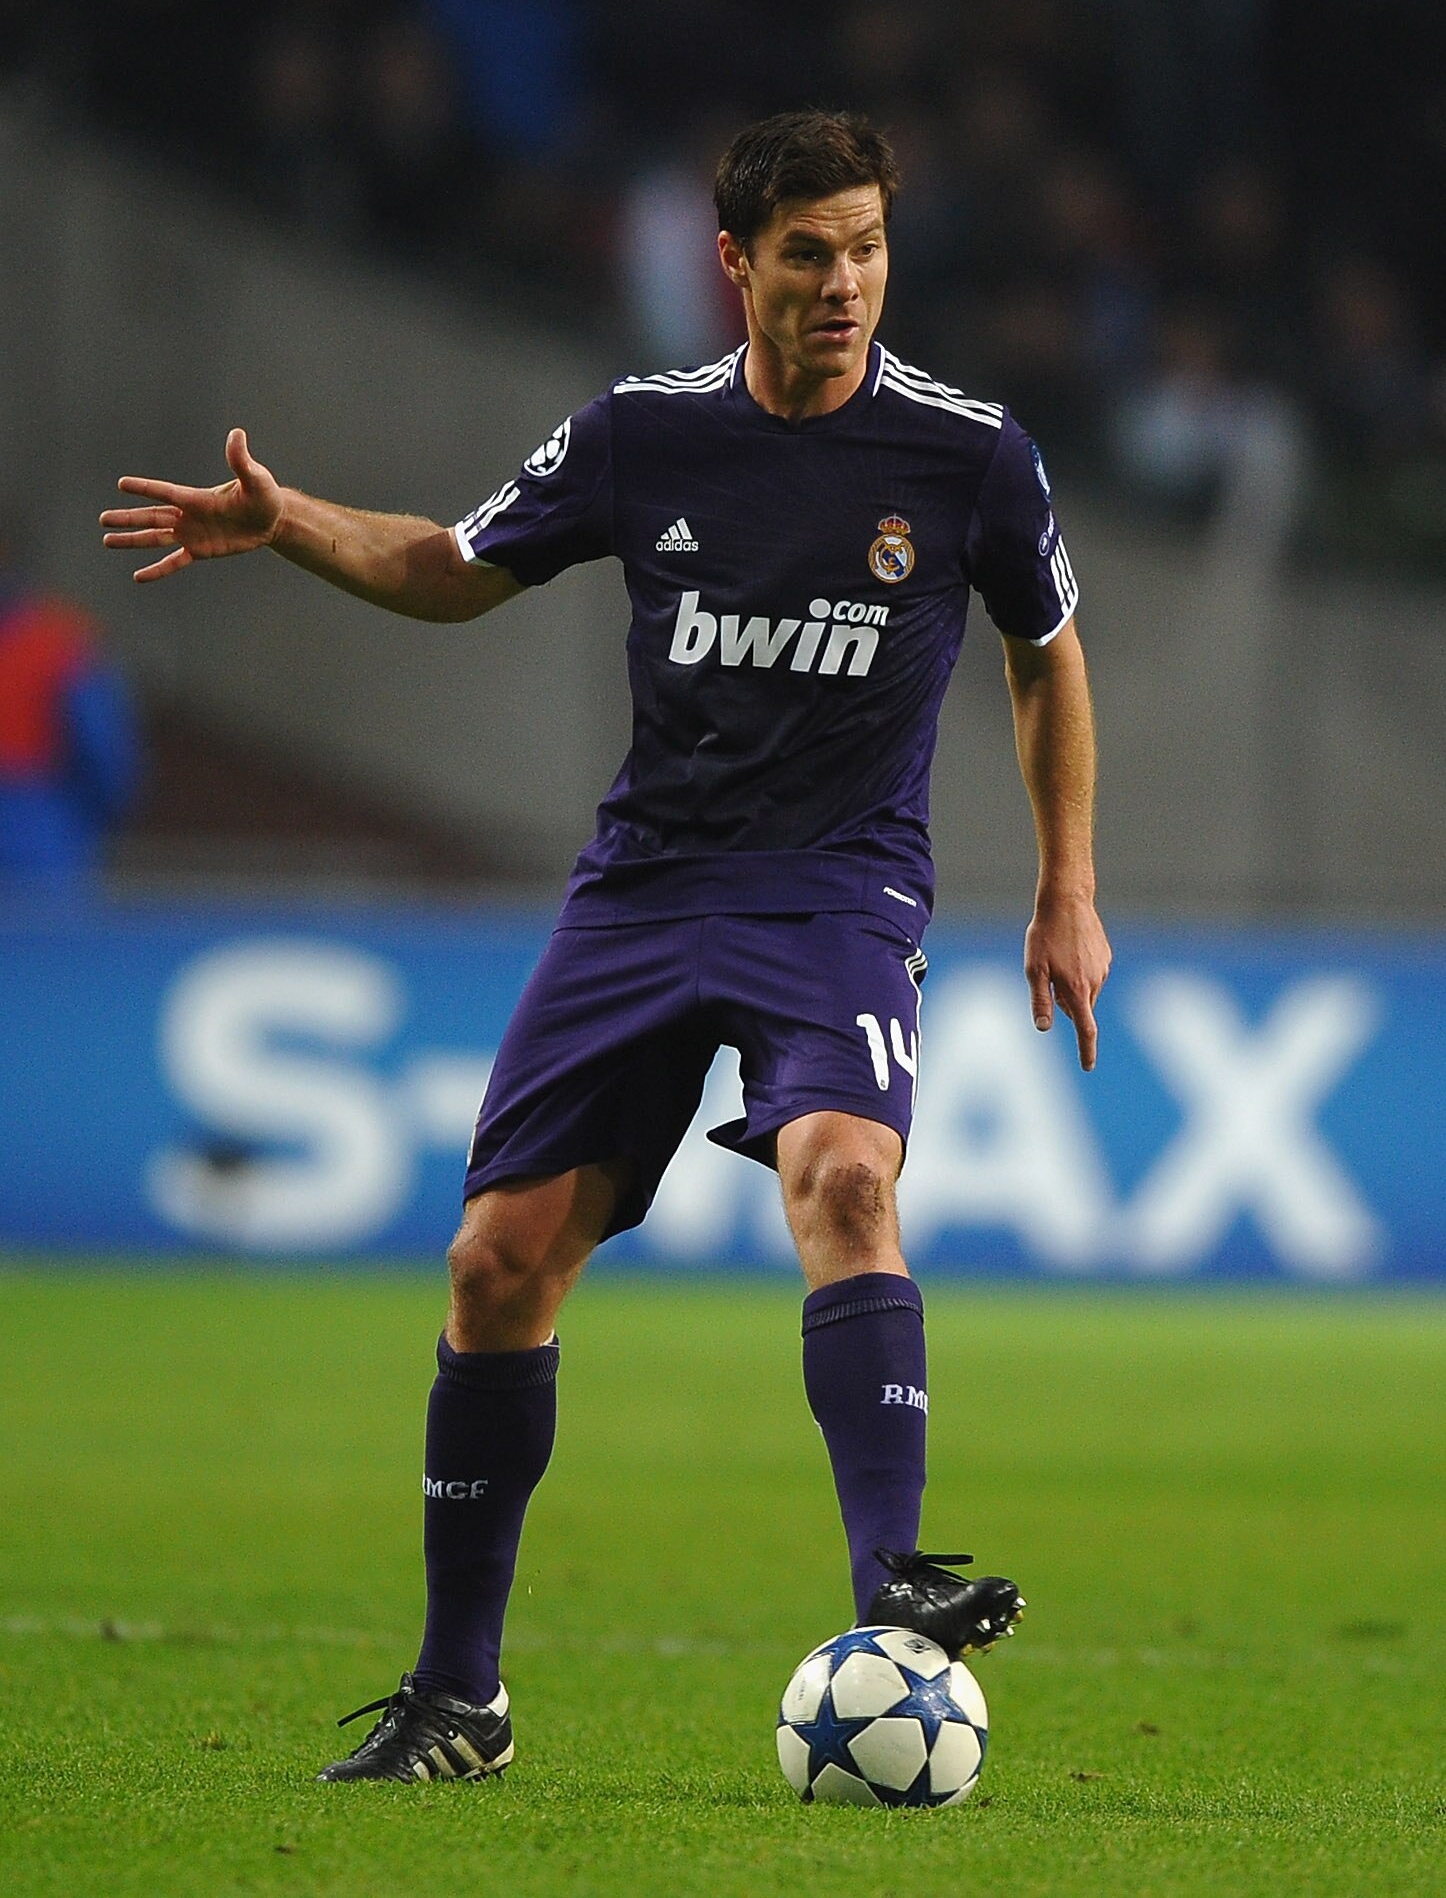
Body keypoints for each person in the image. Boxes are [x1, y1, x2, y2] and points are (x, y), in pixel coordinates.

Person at [101, 109, 1111, 1784]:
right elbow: (452, 568)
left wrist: (1068, 880)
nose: (844, 282)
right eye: (807, 252)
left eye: (866, 247)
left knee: (850, 1178)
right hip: (643, 893)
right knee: (497, 1265)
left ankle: (889, 1577)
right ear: (736, 264)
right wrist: (288, 524)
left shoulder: (969, 454)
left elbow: (1045, 649)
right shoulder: (643, 437)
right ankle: (460, 1696)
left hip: (835, 893)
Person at [0, 565, 139, 892]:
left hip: (39, 818)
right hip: (42, 827)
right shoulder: (60, 638)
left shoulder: (58, 642)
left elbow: (106, 757)